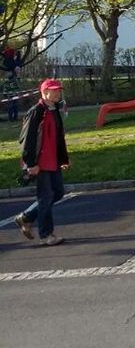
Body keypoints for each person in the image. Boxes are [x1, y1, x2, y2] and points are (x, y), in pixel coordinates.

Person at [13, 79, 70, 246]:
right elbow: (27, 139)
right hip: (40, 162)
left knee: (58, 192)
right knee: (45, 197)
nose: (58, 93)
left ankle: (26, 217)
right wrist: (31, 164)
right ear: (44, 92)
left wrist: (64, 158)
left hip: (53, 160)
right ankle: (47, 234)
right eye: (54, 90)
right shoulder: (36, 112)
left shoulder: (55, 109)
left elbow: (58, 137)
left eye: (59, 90)